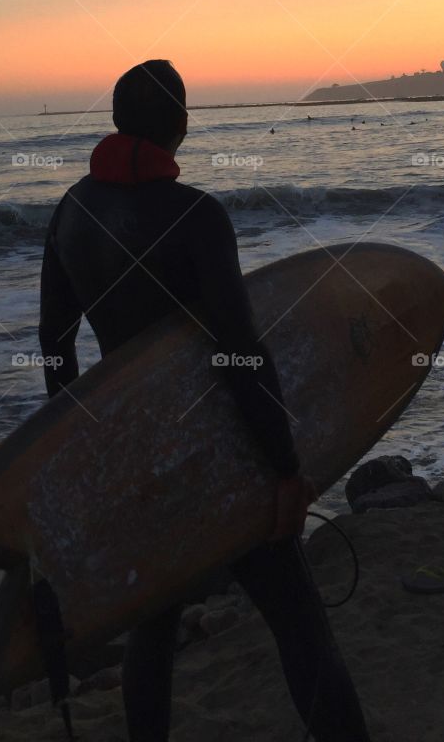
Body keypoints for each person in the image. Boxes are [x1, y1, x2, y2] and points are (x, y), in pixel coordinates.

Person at [39, 61, 371, 742]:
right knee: (297, 616)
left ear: (117, 122)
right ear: (180, 125)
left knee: (153, 627)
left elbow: (54, 346)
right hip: (219, 452)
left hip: (134, 453)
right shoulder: (196, 217)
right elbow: (239, 350)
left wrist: (84, 452)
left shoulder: (70, 214)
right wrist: (284, 466)